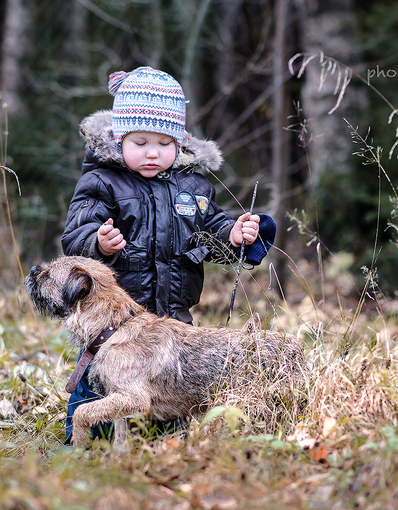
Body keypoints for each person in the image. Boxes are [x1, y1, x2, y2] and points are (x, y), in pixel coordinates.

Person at [61, 66, 276, 443]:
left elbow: (212, 234)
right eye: (139, 142)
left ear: (178, 143)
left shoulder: (193, 187)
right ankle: (86, 439)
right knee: (104, 387)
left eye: (163, 143)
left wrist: (235, 234)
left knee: (175, 393)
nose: (151, 153)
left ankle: (168, 434)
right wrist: (98, 241)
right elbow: (75, 237)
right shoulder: (101, 182)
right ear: (119, 138)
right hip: (117, 327)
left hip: (175, 320)